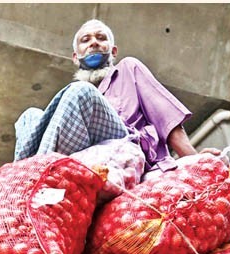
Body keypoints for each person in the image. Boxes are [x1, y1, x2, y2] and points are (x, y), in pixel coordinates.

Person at [14, 19, 216, 177]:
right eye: (86, 40)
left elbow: (167, 120)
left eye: (101, 38)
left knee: (81, 91)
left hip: (125, 149)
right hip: (87, 154)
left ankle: (34, 178)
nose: (94, 42)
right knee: (29, 116)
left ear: (113, 51)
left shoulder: (128, 69)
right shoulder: (76, 102)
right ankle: (20, 179)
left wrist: (195, 161)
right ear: (76, 57)